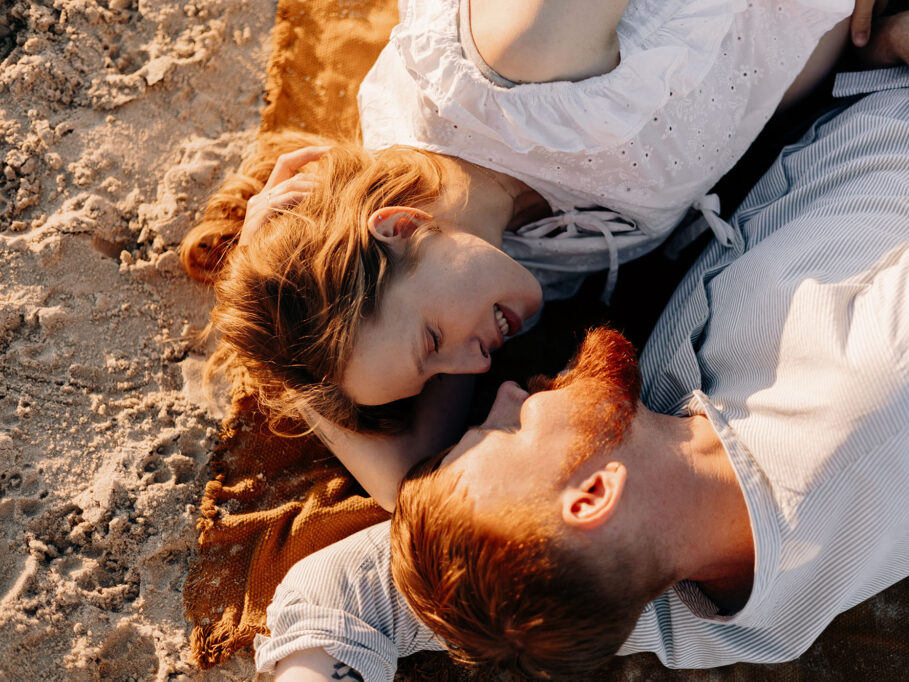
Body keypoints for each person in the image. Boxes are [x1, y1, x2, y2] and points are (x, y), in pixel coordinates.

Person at [254, 8, 909, 680]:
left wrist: (288, 330)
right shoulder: (901, 378)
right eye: (504, 431)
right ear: (592, 495)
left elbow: (346, 594)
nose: (505, 393)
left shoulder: (620, 567)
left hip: (805, 111)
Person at [181, 0, 863, 508]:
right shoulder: (506, 257)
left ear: (399, 225)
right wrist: (295, 377)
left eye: (433, 342)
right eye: (436, 369)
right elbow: (409, 480)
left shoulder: (520, 61)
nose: (474, 367)